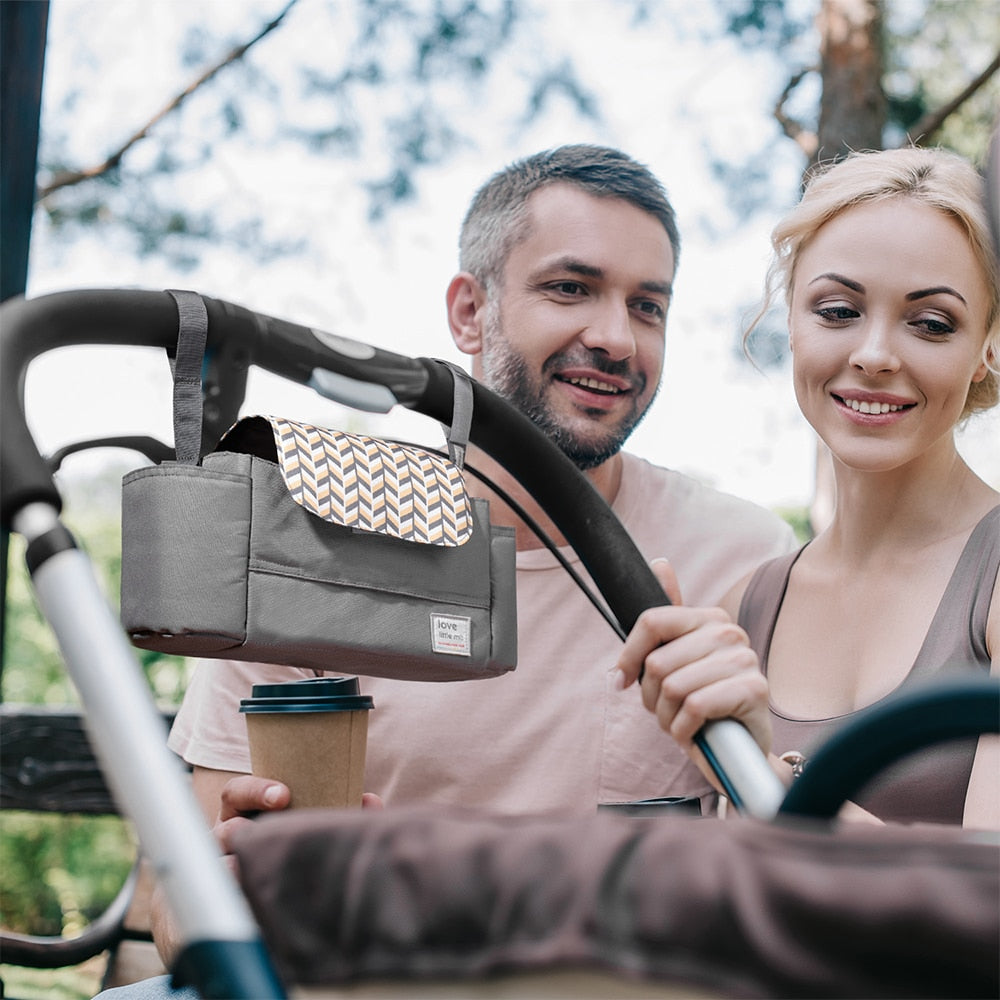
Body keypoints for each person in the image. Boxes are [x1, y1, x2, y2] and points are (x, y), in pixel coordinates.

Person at [102, 145, 795, 993]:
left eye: (647, 306)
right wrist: (231, 906)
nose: (616, 336)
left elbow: (802, 883)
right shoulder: (298, 546)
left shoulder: (741, 556)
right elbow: (183, 926)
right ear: (470, 312)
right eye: (570, 288)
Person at [615, 146, 1000, 830]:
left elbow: (978, 901)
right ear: (790, 321)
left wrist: (762, 773)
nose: (875, 354)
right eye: (837, 310)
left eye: (932, 323)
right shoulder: (749, 605)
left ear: (987, 348)